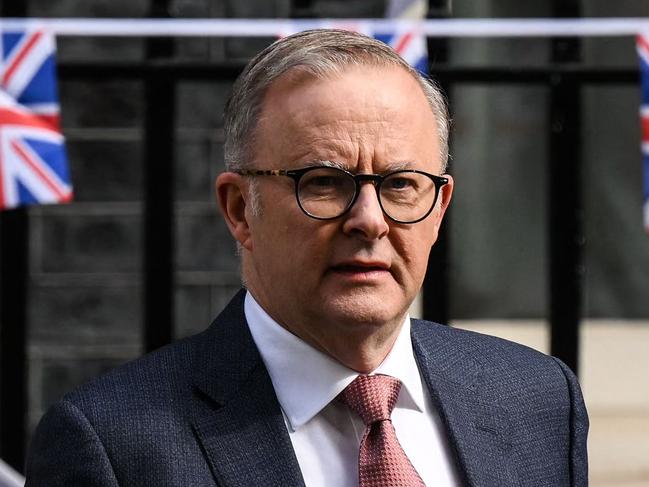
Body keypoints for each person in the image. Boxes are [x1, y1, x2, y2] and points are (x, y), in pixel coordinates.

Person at [25, 29, 588, 487]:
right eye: (323, 182)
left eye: (399, 185)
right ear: (240, 209)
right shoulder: (113, 445)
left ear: (438, 209)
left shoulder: (537, 400)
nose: (369, 218)